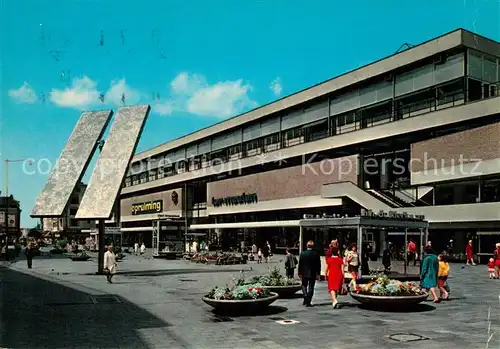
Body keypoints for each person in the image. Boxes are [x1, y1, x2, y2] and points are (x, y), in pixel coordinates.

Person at [298, 240, 321, 307]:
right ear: (313, 246)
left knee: (304, 285)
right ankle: (308, 301)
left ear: (307, 246)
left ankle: (305, 295)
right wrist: (318, 273)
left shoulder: (303, 253)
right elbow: (318, 265)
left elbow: (300, 264)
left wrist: (299, 272)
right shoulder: (316, 254)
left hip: (304, 272)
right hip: (312, 273)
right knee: (311, 287)